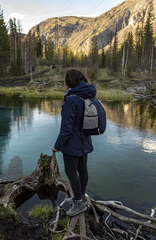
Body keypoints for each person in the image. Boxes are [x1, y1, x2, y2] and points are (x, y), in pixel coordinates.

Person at [53, 69, 96, 217]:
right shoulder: (86, 94)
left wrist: (57, 146)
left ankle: (78, 203)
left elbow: (67, 128)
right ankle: (81, 196)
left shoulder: (72, 99)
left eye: (65, 78)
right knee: (82, 169)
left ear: (70, 81)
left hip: (72, 143)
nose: (63, 81)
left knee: (71, 172)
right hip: (85, 140)